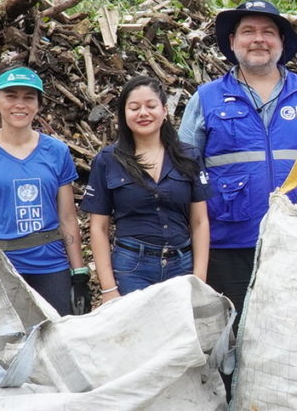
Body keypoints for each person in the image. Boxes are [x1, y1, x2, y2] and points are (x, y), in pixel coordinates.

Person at [179, 0, 297, 311]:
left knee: (296, 329)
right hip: (229, 243)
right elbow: (186, 172)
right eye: (248, 31)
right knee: (234, 332)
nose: (258, 39)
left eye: (268, 32)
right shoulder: (206, 99)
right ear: (232, 42)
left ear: (281, 42)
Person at [0, 67, 84, 316]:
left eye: (28, 97)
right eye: (11, 96)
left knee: (54, 339)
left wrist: (78, 272)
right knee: (2, 346)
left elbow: (67, 217)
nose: (19, 104)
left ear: (38, 105)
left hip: (50, 265)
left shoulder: (56, 152)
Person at [87, 77, 209, 302]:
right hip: (132, 267)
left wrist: (199, 278)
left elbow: (200, 221)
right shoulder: (108, 160)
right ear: (124, 114)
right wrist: (108, 288)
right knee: (137, 335)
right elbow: (99, 228)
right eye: (134, 107)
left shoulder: (188, 156)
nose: (143, 113)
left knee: (180, 335)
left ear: (164, 111)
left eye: (151, 106)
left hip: (182, 265)